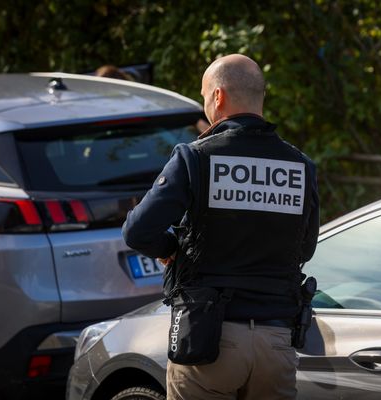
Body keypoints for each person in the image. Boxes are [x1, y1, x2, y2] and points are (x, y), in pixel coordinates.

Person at [122, 54, 319, 400]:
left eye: (203, 96)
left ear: (218, 97)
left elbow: (138, 231)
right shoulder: (300, 166)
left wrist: (171, 250)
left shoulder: (196, 157)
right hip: (276, 342)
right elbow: (305, 248)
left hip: (209, 339)